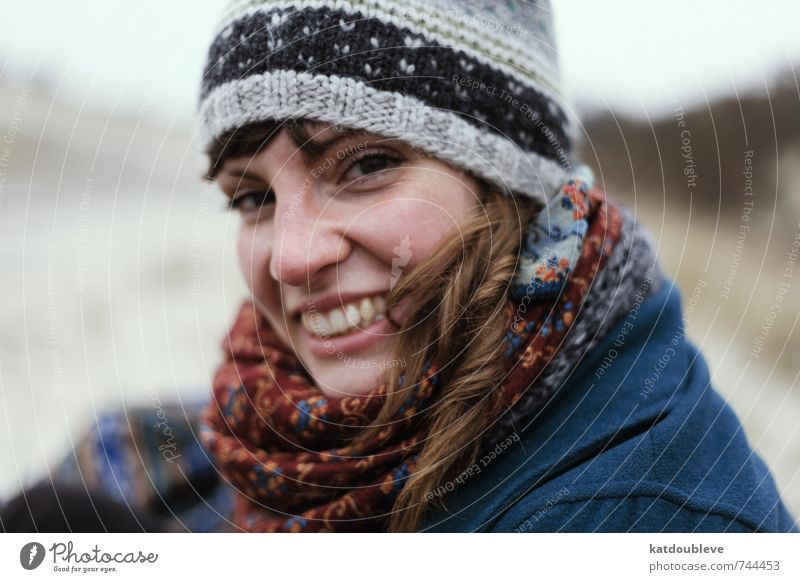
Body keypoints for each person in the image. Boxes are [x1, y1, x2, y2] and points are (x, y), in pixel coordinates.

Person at [3, 0, 796, 533]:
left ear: (511, 182)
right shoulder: (310, 428)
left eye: (367, 163)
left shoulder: (642, 523)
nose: (292, 254)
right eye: (252, 197)